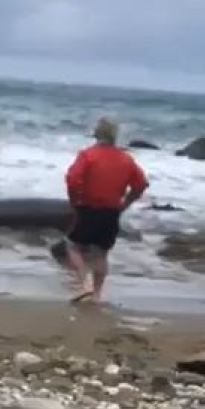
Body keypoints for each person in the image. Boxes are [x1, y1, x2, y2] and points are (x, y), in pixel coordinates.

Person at [64, 117, 149, 304]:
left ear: (97, 134)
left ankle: (85, 284)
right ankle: (97, 295)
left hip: (88, 207)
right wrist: (125, 204)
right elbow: (141, 184)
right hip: (111, 211)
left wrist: (75, 200)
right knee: (101, 254)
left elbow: (72, 178)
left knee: (73, 246)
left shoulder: (88, 155)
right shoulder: (126, 159)